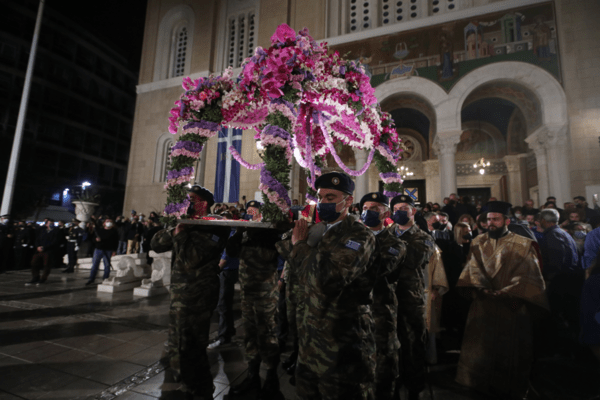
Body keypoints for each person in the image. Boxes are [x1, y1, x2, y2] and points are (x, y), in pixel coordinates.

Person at [278, 172, 377, 399]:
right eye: (320, 198)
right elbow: (285, 247)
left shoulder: (359, 235)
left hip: (341, 344)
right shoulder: (316, 230)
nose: (323, 203)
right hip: (309, 338)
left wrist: (300, 246)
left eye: (330, 198)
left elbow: (328, 277)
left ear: (348, 201)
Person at [455, 201, 548, 400]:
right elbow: (472, 268)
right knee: (481, 349)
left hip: (512, 305)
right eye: (488, 220)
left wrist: (507, 292)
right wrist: (481, 287)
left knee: (511, 352)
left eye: (495, 219)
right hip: (483, 304)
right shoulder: (477, 242)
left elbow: (529, 275)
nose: (491, 223)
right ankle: (478, 385)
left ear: (506, 220)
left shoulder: (523, 245)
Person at [152, 185, 229, 399]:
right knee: (177, 341)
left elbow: (192, 259)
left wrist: (181, 234)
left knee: (193, 343)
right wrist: (175, 227)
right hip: (179, 294)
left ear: (204, 203)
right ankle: (183, 380)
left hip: (199, 295)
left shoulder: (214, 227)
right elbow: (156, 244)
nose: (187, 203)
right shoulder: (184, 223)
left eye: (192, 199)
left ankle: (201, 387)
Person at [226, 200, 282, 399]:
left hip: (265, 292)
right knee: (249, 333)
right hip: (247, 292)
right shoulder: (245, 231)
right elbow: (232, 250)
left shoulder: (269, 231)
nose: (251, 214)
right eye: (249, 211)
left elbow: (280, 253)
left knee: (267, 332)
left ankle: (272, 376)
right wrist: (241, 232)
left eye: (254, 211)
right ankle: (252, 374)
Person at [359, 192, 407, 399]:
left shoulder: (395, 244)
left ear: (385, 213)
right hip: (357, 313)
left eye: (374, 209)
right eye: (365, 208)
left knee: (384, 362)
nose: (368, 212)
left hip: (381, 309)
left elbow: (376, 271)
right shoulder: (353, 238)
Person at [389, 194, 434, 400]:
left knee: (412, 344)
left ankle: (414, 388)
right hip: (387, 299)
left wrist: (390, 250)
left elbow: (413, 260)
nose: (399, 212)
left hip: (409, 297)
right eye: (395, 208)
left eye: (403, 208)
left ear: (413, 211)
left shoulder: (422, 237)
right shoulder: (387, 233)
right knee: (390, 345)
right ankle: (393, 384)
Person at [208, 228, 240, 349]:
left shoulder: (230, 233)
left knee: (223, 304)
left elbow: (225, 257)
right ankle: (229, 331)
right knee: (226, 303)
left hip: (226, 272)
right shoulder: (230, 232)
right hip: (229, 271)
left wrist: (215, 271)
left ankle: (224, 337)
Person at [85, 218, 119, 285]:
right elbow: (93, 239)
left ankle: (105, 279)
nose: (108, 222)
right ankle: (91, 279)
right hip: (99, 249)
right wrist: (96, 240)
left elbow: (116, 242)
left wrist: (114, 250)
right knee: (95, 265)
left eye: (110, 221)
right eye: (107, 221)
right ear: (104, 223)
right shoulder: (99, 230)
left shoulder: (114, 232)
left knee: (107, 265)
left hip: (108, 250)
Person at [27, 219, 60, 286]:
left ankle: (43, 278)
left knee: (46, 265)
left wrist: (44, 247)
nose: (51, 225)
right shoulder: (42, 231)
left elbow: (54, 242)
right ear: (46, 224)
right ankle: (35, 277)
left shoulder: (56, 231)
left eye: (52, 223)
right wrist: (38, 246)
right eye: (49, 223)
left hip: (48, 250)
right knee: (34, 263)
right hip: (39, 250)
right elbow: (37, 239)